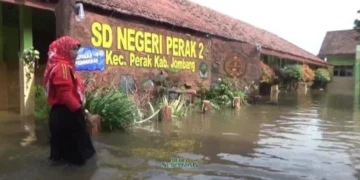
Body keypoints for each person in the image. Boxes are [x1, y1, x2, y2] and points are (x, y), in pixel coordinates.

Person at [43, 36, 95, 165]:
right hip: (67, 115)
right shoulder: (62, 68)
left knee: (63, 158)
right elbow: (66, 96)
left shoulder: (66, 67)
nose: (76, 53)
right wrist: (85, 115)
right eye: (72, 49)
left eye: (77, 50)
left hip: (65, 114)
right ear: (63, 49)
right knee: (78, 157)